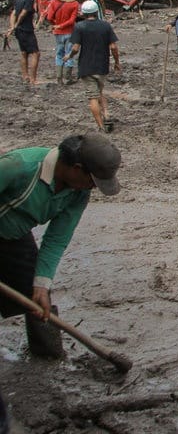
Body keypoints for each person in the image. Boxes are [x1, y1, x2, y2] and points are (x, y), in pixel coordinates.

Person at [1, 133, 122, 358]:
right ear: (76, 169)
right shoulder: (19, 167)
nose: (93, 188)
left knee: (36, 297)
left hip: (14, 235)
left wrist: (42, 284)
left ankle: (49, 357)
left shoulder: (78, 193)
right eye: (93, 182)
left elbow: (56, 239)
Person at [67, 0, 120, 133]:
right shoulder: (105, 26)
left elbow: (75, 48)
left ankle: (101, 126)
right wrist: (117, 62)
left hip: (86, 66)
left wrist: (69, 56)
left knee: (93, 97)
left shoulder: (80, 27)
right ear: (97, 12)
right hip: (102, 65)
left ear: (84, 13)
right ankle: (106, 114)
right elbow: (113, 47)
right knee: (100, 92)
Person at [43, 0, 82, 85]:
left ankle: (59, 78)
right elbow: (72, 20)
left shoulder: (54, 2)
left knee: (59, 53)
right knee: (70, 53)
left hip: (58, 32)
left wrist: (57, 25)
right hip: (69, 31)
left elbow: (49, 18)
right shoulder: (74, 4)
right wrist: (62, 25)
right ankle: (68, 77)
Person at [7, 0, 41, 85]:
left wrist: (12, 26)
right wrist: (17, 24)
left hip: (19, 30)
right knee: (35, 53)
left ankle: (25, 76)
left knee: (24, 53)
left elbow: (13, 13)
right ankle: (33, 79)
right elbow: (23, 13)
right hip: (26, 30)